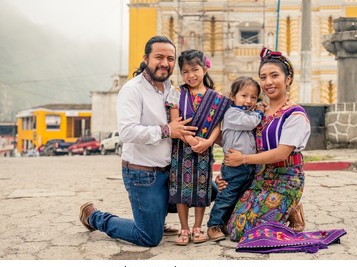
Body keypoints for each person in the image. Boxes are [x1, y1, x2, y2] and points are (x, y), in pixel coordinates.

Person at [79, 36, 198, 247]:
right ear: (145, 58)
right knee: (149, 238)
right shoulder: (132, 89)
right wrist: (168, 130)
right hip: (143, 174)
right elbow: (127, 132)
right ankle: (94, 216)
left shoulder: (171, 88)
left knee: (209, 189)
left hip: (169, 172)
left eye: (170, 58)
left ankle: (155, 216)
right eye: (159, 57)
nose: (165, 63)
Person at [222, 47, 311, 242]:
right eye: (263, 77)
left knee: (248, 232)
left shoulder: (295, 114)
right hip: (259, 177)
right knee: (232, 226)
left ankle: (292, 207)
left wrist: (243, 159)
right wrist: (228, 170)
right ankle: (287, 209)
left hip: (286, 179)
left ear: (287, 79)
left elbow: (281, 153)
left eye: (274, 75)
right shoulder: (257, 111)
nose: (268, 82)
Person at [166, 49, 231, 246]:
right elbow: (175, 121)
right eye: (185, 71)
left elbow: (218, 123)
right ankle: (184, 227)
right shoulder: (177, 93)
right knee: (180, 189)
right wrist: (193, 142)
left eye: (195, 70)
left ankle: (197, 227)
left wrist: (208, 142)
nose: (190, 75)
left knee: (201, 188)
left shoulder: (216, 97)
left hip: (204, 152)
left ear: (204, 69)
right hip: (181, 149)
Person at [206, 76, 264, 242]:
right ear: (233, 96)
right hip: (234, 166)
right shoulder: (232, 113)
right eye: (244, 96)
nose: (249, 100)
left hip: (248, 166)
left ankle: (226, 223)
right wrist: (260, 110)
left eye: (253, 97)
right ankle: (213, 225)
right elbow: (251, 123)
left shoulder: (246, 113)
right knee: (227, 196)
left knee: (240, 196)